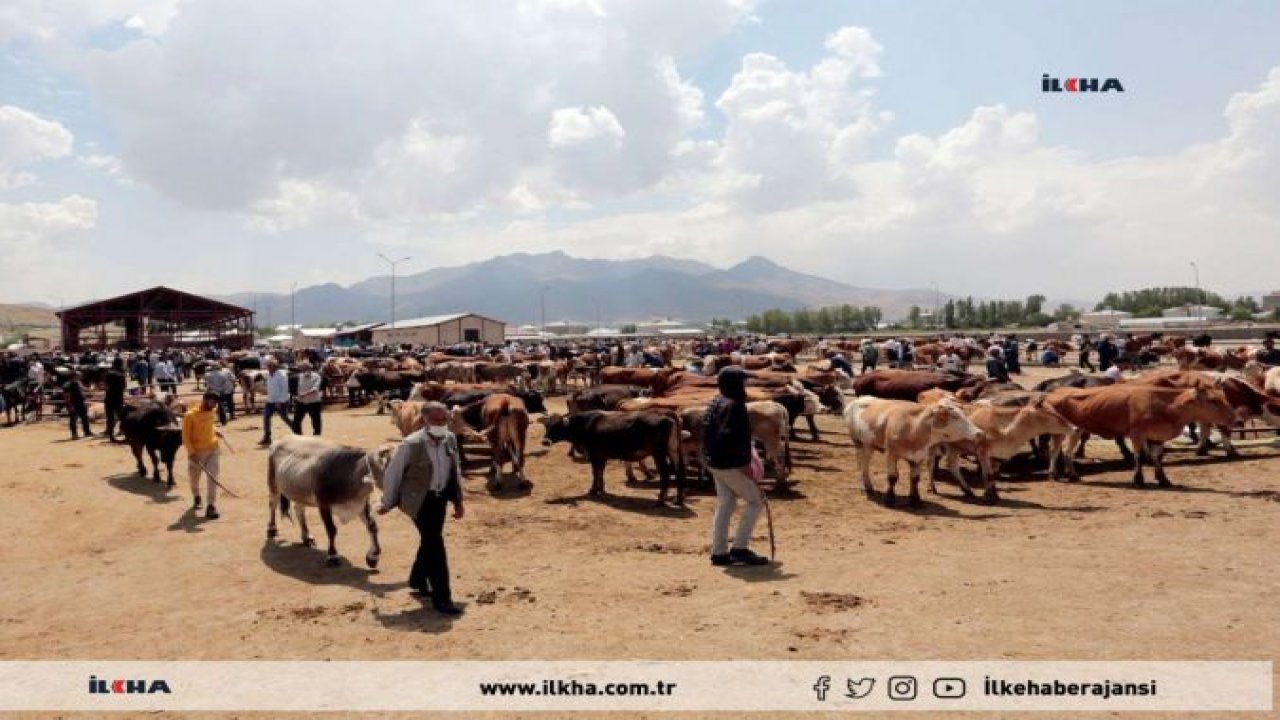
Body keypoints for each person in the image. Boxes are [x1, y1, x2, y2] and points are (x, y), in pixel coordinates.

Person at [377, 402, 465, 615]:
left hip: (440, 498)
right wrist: (387, 502)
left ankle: (417, 579)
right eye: (436, 420)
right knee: (435, 544)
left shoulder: (450, 439)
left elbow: (455, 471)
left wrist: (458, 500)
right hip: (418, 501)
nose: (441, 423)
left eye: (444, 419)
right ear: (424, 420)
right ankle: (442, 597)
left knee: (430, 539)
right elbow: (393, 474)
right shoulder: (411, 444)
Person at [702, 367, 769, 567]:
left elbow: (709, 433)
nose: (745, 385)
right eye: (743, 381)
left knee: (726, 504)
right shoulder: (734, 405)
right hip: (731, 464)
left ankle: (719, 552)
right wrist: (744, 464)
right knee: (756, 501)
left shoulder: (716, 401)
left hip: (714, 461)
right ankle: (740, 548)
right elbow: (731, 438)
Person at [183, 391, 223, 519]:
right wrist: (191, 452)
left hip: (213, 449)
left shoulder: (212, 410)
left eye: (216, 402)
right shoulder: (190, 416)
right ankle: (196, 495)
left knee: (213, 478)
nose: (214, 405)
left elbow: (210, 425)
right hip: (197, 453)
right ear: (205, 399)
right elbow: (185, 437)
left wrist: (216, 431)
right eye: (212, 401)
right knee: (194, 478)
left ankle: (211, 506)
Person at [258, 358, 293, 446]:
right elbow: (270, 388)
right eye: (268, 366)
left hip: (281, 401)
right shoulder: (269, 375)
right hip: (270, 400)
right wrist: (263, 391)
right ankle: (267, 437)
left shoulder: (282, 375)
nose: (268, 368)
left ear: (275, 366)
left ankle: (297, 431)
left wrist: (279, 401)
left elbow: (284, 389)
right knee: (266, 417)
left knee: (285, 418)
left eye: (270, 366)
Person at [290, 362, 324, 435]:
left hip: (314, 402)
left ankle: (317, 437)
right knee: (296, 421)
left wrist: (304, 394)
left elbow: (315, 389)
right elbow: (296, 388)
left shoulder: (316, 376)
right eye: (301, 369)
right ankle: (298, 436)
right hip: (301, 402)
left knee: (316, 421)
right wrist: (295, 395)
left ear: (308, 368)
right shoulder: (299, 376)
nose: (301, 370)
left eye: (302, 368)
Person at [62, 371, 92, 440]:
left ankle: (87, 432)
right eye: (79, 375)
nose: (81, 376)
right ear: (74, 376)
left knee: (85, 418)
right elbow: (66, 396)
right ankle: (74, 434)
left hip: (81, 403)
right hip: (73, 404)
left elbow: (83, 389)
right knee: (73, 419)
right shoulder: (67, 385)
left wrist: (90, 390)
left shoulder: (78, 382)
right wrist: (70, 406)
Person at [104, 358, 127, 442]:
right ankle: (124, 433)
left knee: (110, 417)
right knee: (122, 417)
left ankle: (110, 435)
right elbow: (124, 387)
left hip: (109, 397)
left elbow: (106, 387)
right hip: (118, 398)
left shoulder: (108, 373)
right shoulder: (121, 374)